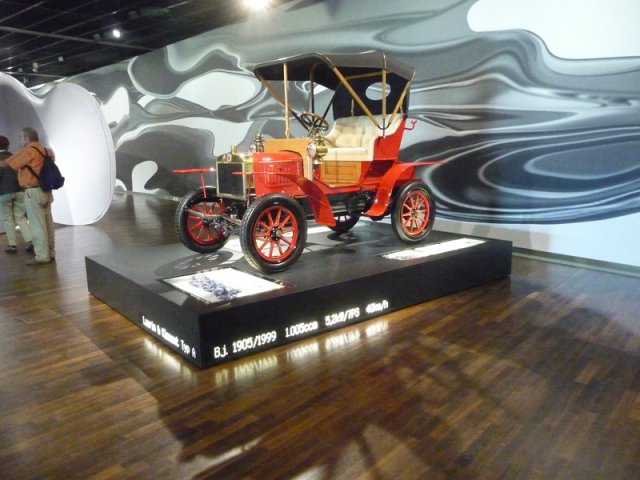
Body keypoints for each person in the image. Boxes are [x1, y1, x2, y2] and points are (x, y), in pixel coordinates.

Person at [0, 128, 56, 265]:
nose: (19, 140)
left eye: (20, 137)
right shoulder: (47, 151)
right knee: (48, 223)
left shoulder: (27, 151)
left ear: (27, 138)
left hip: (33, 191)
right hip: (47, 190)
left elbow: (7, 164)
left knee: (37, 225)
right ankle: (51, 251)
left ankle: (42, 256)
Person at [0, 135, 34, 254]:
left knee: (8, 219)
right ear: (8, 146)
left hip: (3, 193)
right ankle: (31, 241)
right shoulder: (15, 157)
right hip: (19, 190)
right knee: (20, 217)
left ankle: (12, 245)